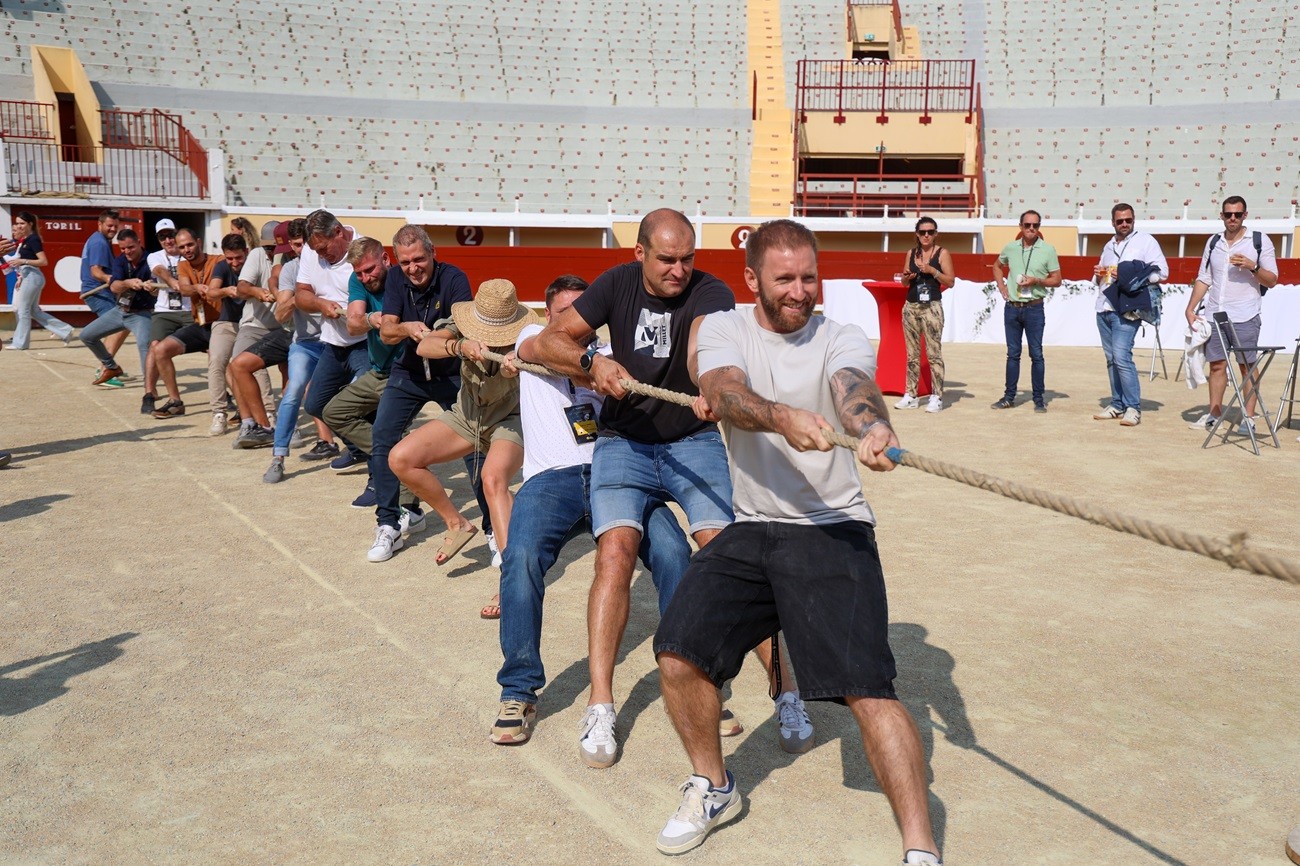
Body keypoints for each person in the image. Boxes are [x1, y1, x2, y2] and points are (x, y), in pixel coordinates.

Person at [652, 219, 940, 864]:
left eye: (809, 276)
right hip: (752, 526)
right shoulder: (726, 327)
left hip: (833, 527)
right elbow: (721, 390)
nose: (800, 290)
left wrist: (871, 429)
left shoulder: (842, 336)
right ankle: (714, 783)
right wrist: (782, 418)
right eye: (784, 278)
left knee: (870, 690)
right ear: (753, 279)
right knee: (678, 653)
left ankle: (920, 848)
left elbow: (855, 393)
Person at [533, 208, 804, 770]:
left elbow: (701, 347)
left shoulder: (711, 291)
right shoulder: (614, 284)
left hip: (692, 439)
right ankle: (601, 704)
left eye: (687, 259)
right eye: (667, 260)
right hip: (622, 443)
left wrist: (711, 382)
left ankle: (787, 693)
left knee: (731, 554)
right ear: (640, 255)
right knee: (614, 553)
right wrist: (593, 361)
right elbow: (549, 340)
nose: (680, 270)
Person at [490, 275, 691, 745]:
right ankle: (518, 689)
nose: (576, 325)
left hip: (617, 473)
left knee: (675, 553)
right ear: (548, 315)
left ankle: (696, 678)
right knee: (519, 559)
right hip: (551, 477)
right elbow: (555, 355)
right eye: (565, 315)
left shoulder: (609, 351)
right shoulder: (531, 338)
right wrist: (596, 368)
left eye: (585, 314)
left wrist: (606, 365)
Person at [387, 279, 533, 578]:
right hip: (466, 415)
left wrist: (517, 367)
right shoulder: (461, 323)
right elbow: (425, 346)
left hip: (510, 420)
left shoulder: (529, 335)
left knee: (492, 479)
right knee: (401, 459)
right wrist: (459, 346)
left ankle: (513, 578)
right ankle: (457, 524)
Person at [369, 225, 489, 558]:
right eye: (405, 262)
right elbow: (387, 332)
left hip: (451, 373)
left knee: (473, 444)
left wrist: (436, 337)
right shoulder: (394, 278)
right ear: (397, 260)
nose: (413, 268)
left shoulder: (454, 278)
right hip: (408, 371)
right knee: (383, 435)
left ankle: (492, 529)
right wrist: (406, 327)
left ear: (433, 251)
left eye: (419, 259)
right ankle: (389, 524)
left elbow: (461, 325)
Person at [318, 238, 424, 524]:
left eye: (370, 269)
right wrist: (371, 319)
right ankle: (391, 456)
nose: (365, 277)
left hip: (407, 373)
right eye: (360, 273)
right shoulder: (359, 280)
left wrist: (392, 325)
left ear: (386, 260)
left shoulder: (406, 280)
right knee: (333, 412)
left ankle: (410, 506)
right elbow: (353, 323)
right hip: (378, 371)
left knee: (388, 431)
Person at [1184, 195, 1278, 435]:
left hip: (1245, 314)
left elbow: (1273, 280)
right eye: (1228, 214)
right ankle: (1214, 415)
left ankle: (1249, 417)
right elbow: (1204, 278)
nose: (1232, 218)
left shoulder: (1258, 241)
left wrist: (1252, 266)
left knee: (1247, 366)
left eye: (1237, 214)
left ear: (1245, 215)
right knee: (1216, 365)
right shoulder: (1213, 242)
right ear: (1222, 216)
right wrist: (1190, 308)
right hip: (1216, 313)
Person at [295, 210, 371, 474]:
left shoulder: (364, 252)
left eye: (324, 248)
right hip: (334, 343)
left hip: (365, 344)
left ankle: (379, 474)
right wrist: (318, 303)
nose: (320, 255)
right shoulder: (311, 249)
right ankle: (358, 448)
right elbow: (301, 295)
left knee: (364, 407)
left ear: (339, 232)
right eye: (315, 250)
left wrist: (358, 317)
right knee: (316, 403)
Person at [263, 219, 339, 481]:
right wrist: (302, 296)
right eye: (296, 245)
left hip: (336, 342)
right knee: (294, 389)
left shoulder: (331, 261)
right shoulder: (290, 270)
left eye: (305, 243)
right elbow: (280, 315)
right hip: (306, 343)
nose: (301, 249)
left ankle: (364, 452)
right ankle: (278, 457)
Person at [1091, 204, 1169, 427]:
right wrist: (1099, 274)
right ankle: (1117, 404)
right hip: (1104, 306)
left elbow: (1162, 272)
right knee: (1111, 359)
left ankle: (1133, 407)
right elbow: (1100, 279)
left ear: (1133, 220)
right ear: (1113, 222)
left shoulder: (1146, 241)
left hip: (1128, 308)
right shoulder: (1108, 246)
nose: (1124, 224)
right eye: (1120, 221)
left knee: (1121, 356)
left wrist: (1129, 275)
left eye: (1128, 220)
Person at [991, 210, 1061, 412]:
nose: (1032, 229)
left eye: (1036, 226)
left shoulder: (1048, 249)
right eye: (1028, 225)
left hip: (1034, 308)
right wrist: (1002, 287)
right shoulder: (1010, 248)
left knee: (1036, 354)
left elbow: (1057, 280)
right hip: (1012, 307)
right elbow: (997, 266)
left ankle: (1039, 399)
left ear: (1039, 228)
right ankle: (1008, 397)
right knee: (1012, 354)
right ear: (1020, 226)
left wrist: (1037, 280)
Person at [150, 228, 222, 419]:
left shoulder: (219, 261)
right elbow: (184, 289)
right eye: (182, 247)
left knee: (221, 362)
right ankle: (175, 402)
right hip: (201, 325)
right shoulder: (183, 265)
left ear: (198, 242)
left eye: (190, 244)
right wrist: (196, 287)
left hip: (222, 325)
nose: (187, 249)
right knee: (160, 350)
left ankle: (240, 406)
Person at [227, 220, 283, 442]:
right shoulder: (257, 255)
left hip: (285, 327)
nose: (270, 251)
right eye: (267, 247)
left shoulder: (291, 258)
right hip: (254, 324)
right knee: (235, 364)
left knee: (292, 371)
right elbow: (242, 288)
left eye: (274, 247)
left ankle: (286, 422)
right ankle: (253, 423)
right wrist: (257, 291)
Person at [79, 228, 154, 386]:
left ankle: (150, 389)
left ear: (139, 243)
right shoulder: (120, 260)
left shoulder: (152, 260)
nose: (127, 251)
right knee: (87, 335)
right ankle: (111, 367)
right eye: (123, 248)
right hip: (120, 311)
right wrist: (128, 283)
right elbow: (114, 286)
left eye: (131, 247)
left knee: (143, 346)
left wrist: (152, 286)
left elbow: (158, 285)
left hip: (142, 314)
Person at [894, 216, 953, 413]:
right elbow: (903, 283)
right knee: (912, 354)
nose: (926, 235)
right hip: (911, 305)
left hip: (931, 307)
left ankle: (937, 396)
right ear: (917, 234)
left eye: (930, 232)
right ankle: (911, 394)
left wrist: (932, 271)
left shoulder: (942, 253)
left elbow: (951, 281)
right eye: (922, 232)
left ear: (936, 234)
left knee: (933, 353)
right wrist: (906, 277)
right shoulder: (911, 253)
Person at [203, 233, 251, 435]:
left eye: (238, 258)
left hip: (250, 323)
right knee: (216, 361)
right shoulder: (222, 266)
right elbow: (211, 292)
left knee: (253, 366)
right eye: (230, 258)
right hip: (226, 321)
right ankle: (219, 413)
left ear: (246, 253)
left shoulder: (253, 264)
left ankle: (264, 412)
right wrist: (226, 291)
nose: (234, 263)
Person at [6, 211, 74, 351]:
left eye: (22, 223)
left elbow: (43, 261)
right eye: (17, 223)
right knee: (33, 311)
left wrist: (22, 261)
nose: (19, 226)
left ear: (30, 224)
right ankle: (65, 330)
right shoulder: (26, 240)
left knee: (23, 310)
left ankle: (20, 343)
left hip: (32, 276)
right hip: (29, 276)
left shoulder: (33, 239)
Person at [77, 210, 131, 386]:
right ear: (99, 224)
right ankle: (106, 369)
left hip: (99, 292)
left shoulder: (99, 239)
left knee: (123, 325)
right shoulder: (99, 242)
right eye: (109, 225)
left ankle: (110, 366)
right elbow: (96, 271)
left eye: (116, 226)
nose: (113, 229)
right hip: (97, 292)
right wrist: (113, 281)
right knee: (120, 324)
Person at [141, 219, 185, 415]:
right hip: (165, 310)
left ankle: (225, 395)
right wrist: (172, 281)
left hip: (188, 310)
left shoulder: (187, 252)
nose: (168, 240)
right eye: (162, 237)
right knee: (154, 346)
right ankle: (149, 393)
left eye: (170, 235)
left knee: (214, 348)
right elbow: (160, 270)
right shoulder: (154, 256)